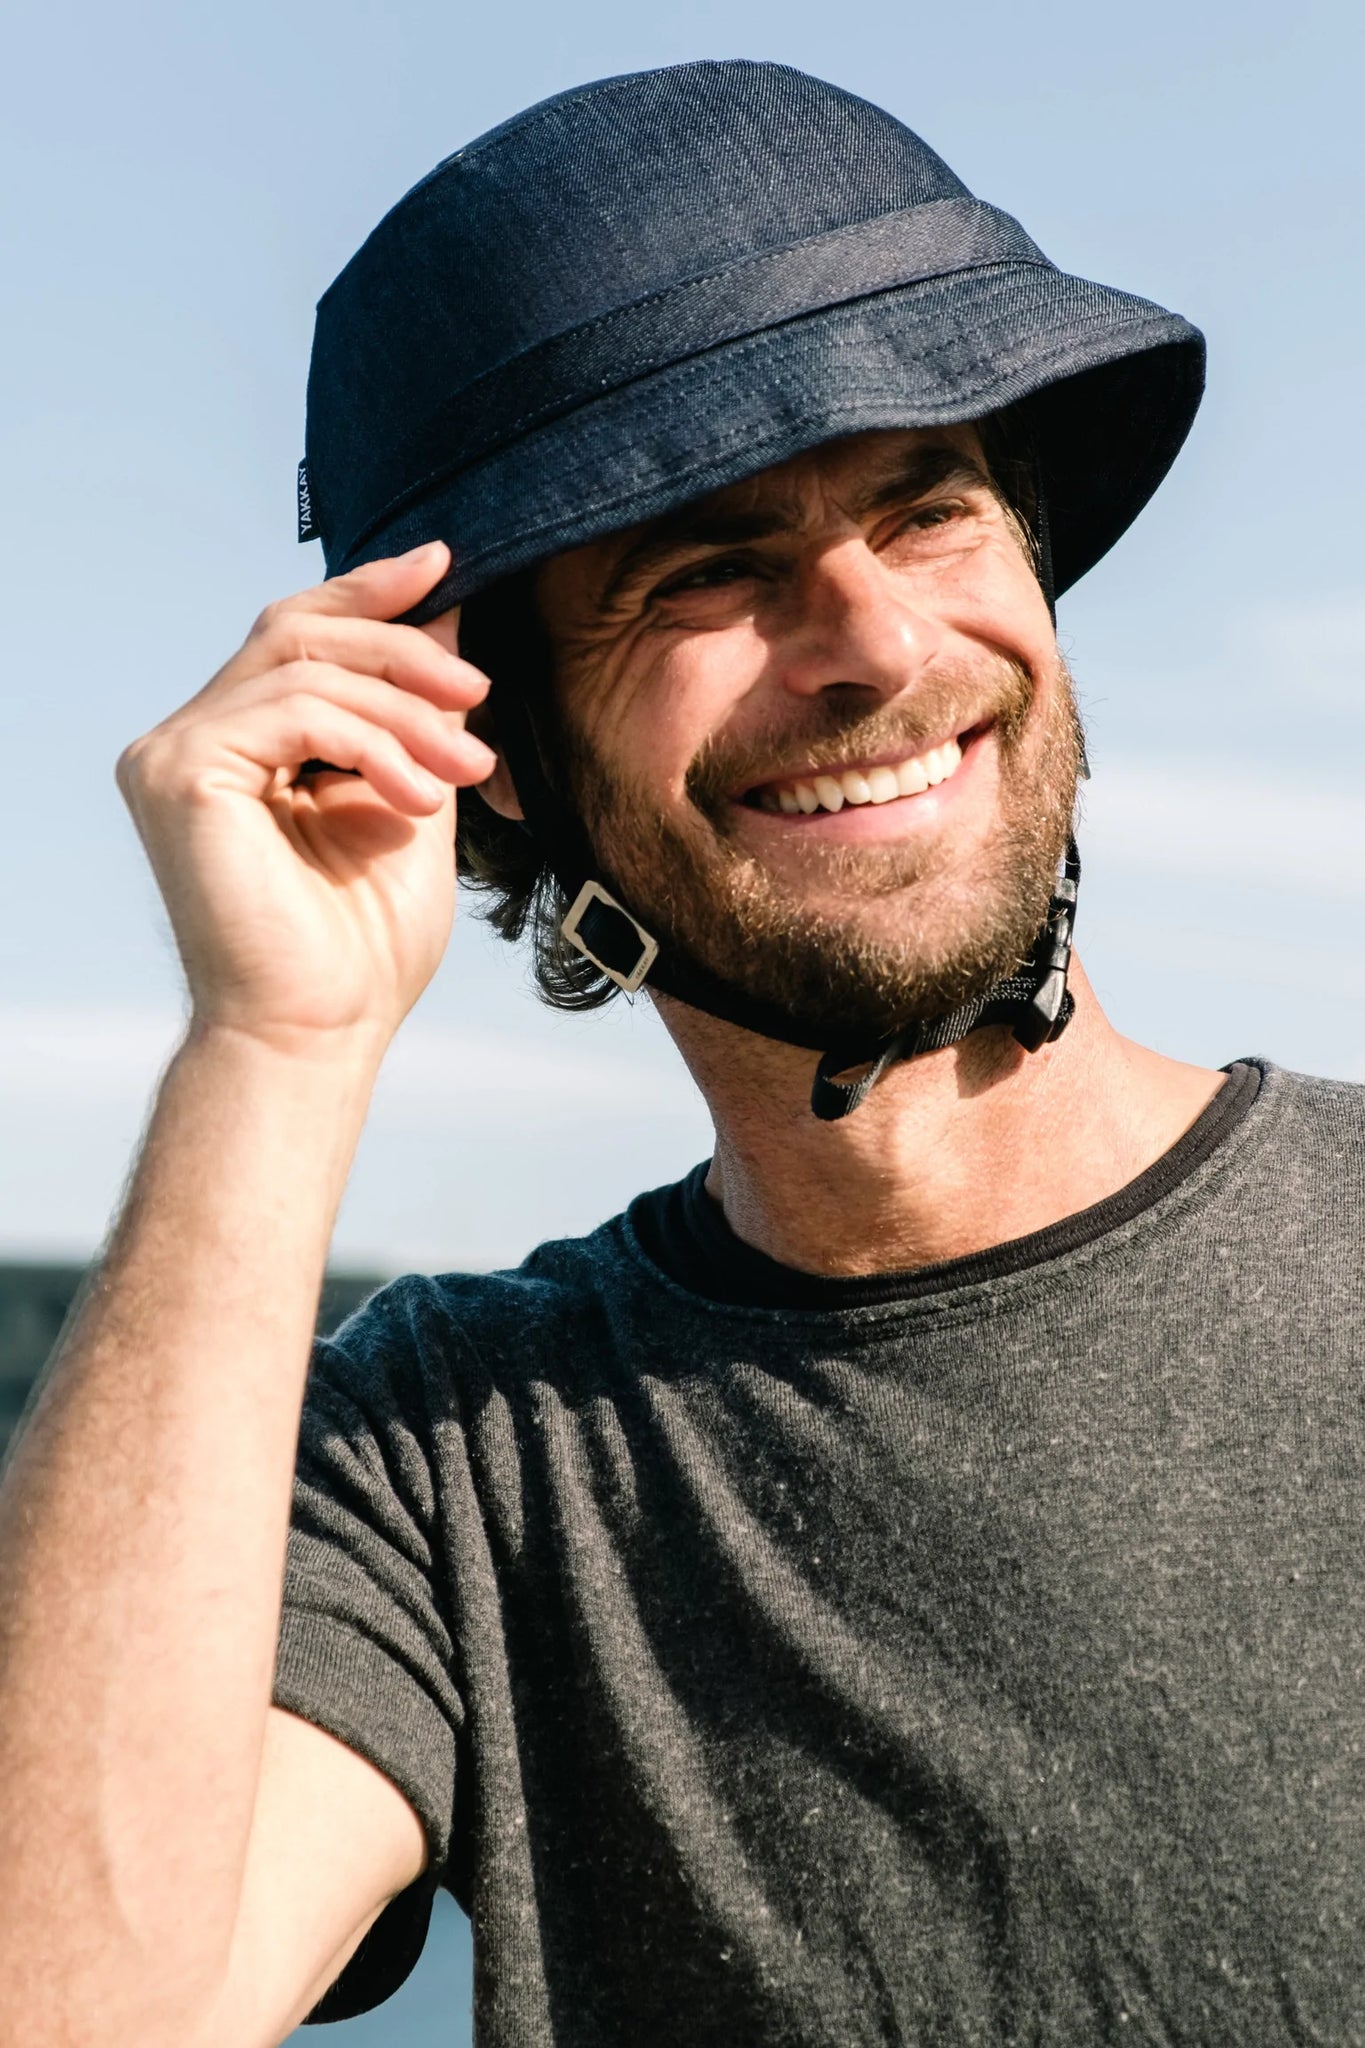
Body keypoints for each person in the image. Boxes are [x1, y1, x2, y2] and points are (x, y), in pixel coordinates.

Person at [1, 57, 1362, 2048]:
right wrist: (269, 1044)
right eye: (704, 567)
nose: (871, 641)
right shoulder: (449, 1465)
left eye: (932, 510)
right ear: (502, 762)